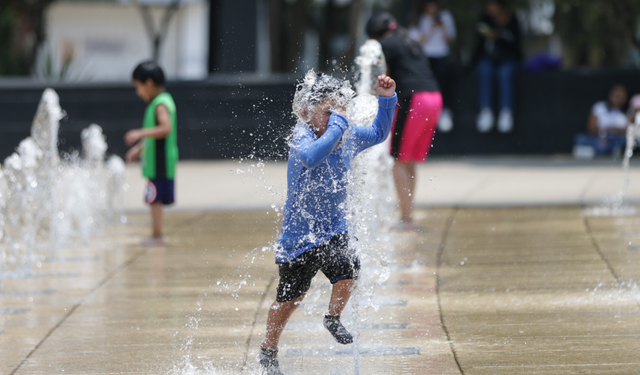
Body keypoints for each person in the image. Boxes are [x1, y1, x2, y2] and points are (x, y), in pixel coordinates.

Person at [258, 71, 397, 375]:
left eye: (341, 112)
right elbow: (311, 157)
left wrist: (387, 100)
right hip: (299, 238)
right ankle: (268, 349)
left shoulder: (346, 136)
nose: (337, 120)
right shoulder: (302, 137)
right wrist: (338, 124)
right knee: (290, 298)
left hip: (333, 229)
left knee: (349, 271)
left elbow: (378, 133)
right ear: (306, 112)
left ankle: (332, 318)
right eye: (329, 112)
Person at [366, 12, 442, 231]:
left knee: (398, 159)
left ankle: (406, 219)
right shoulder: (409, 40)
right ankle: (408, 214)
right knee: (408, 160)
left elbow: (381, 77)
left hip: (414, 99)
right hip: (434, 98)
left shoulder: (387, 44)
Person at [124, 61, 178, 246]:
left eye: (138, 87)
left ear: (148, 83)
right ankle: (156, 234)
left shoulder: (160, 105)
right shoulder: (160, 102)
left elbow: (165, 128)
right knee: (154, 198)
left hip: (160, 161)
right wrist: (139, 149)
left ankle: (157, 236)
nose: (138, 92)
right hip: (158, 160)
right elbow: (154, 135)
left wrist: (140, 133)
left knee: (154, 200)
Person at [471, 0, 522, 133]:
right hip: (490, 60)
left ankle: (506, 112)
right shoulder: (485, 20)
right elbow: (478, 47)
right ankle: (486, 111)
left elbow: (516, 45)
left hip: (509, 60)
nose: (490, 8)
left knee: (505, 73)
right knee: (485, 70)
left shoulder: (513, 20)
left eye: (493, 5)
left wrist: (498, 36)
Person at [409, 0, 456, 132]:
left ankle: (444, 112)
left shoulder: (445, 16)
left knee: (443, 84)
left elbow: (450, 39)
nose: (433, 7)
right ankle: (423, 115)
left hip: (441, 56)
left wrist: (443, 27)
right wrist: (432, 28)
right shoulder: (417, 19)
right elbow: (417, 42)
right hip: (424, 57)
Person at [573, 85, 629, 158]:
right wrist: (606, 130)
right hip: (598, 138)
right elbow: (591, 128)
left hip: (614, 140)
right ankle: (605, 152)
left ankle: (593, 152)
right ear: (610, 95)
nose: (619, 100)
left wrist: (616, 131)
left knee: (624, 140)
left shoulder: (626, 112)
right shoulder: (599, 107)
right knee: (580, 138)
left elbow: (628, 132)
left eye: (622, 98)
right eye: (617, 96)